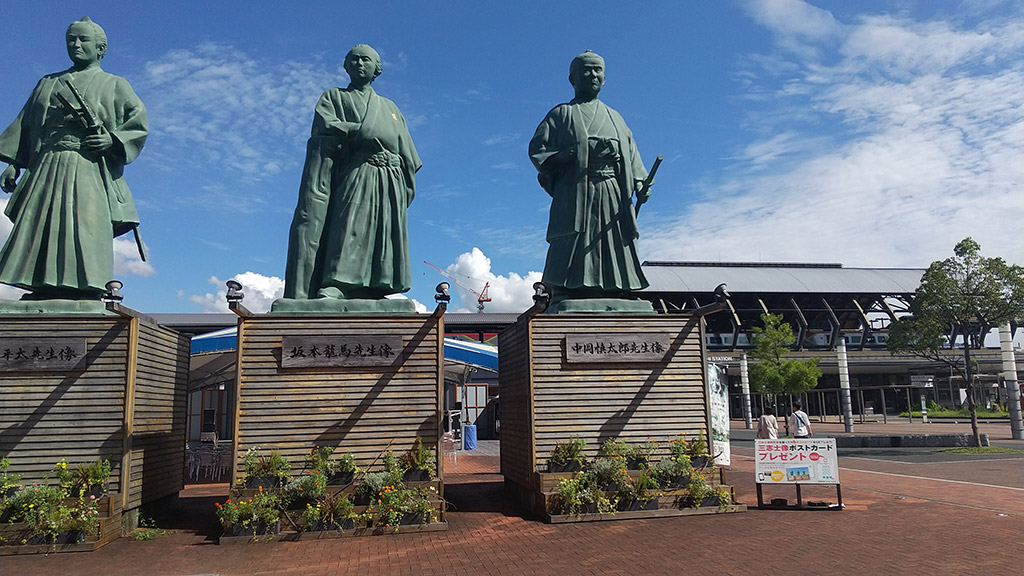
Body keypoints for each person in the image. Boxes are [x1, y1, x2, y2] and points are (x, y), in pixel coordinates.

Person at [0, 17, 147, 300]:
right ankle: (42, 287)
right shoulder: (48, 83)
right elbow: (26, 124)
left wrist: (112, 140)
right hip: (47, 164)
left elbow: (137, 123)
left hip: (86, 165)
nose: (76, 45)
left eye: (83, 40)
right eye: (71, 40)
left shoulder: (115, 84)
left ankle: (86, 289)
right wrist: (13, 163)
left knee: (85, 225)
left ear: (100, 48)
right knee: (39, 225)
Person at [283, 44, 421, 300]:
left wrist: (404, 181)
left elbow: (408, 151)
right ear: (346, 66)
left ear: (376, 68)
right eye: (354, 60)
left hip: (389, 176)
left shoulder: (390, 107)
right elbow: (325, 125)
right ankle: (337, 283)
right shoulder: (334, 97)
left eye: (366, 60)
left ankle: (377, 286)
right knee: (348, 226)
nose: (359, 64)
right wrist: (359, 131)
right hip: (357, 170)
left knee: (383, 232)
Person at [528, 51, 649, 305]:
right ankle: (565, 290)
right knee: (573, 237)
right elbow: (538, 150)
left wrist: (640, 182)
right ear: (572, 78)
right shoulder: (561, 114)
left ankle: (615, 288)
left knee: (613, 239)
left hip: (612, 192)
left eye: (598, 70)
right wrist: (569, 154)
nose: (593, 75)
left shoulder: (616, 118)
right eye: (586, 70)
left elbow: (632, 153)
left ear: (605, 78)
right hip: (576, 192)